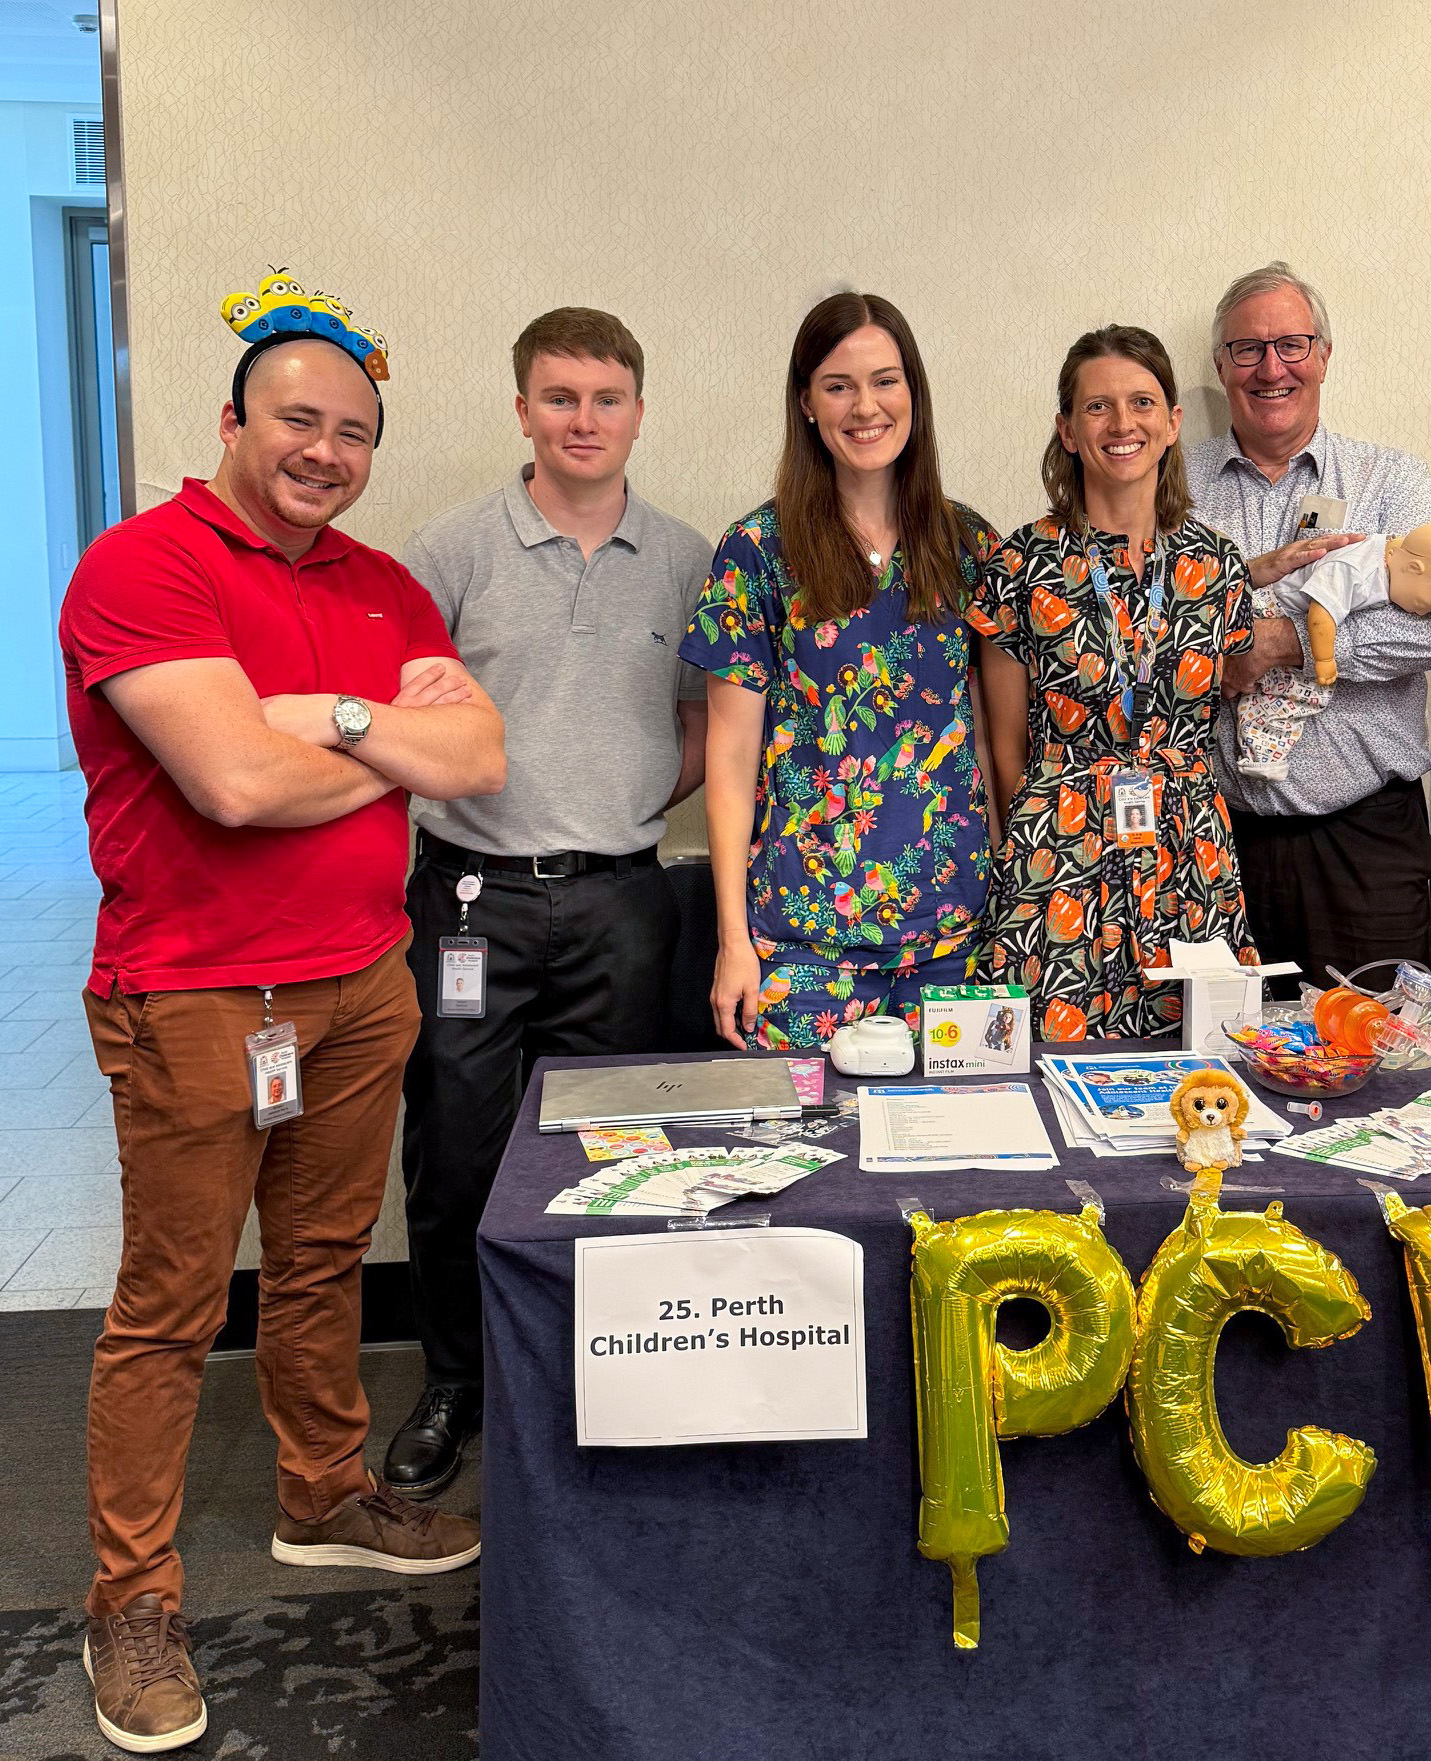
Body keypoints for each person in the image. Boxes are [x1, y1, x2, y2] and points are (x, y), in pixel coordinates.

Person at [61, 283, 506, 1754]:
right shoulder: (144, 569)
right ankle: (130, 1596)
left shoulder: (385, 589)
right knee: (174, 1308)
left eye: (354, 433)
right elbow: (231, 788)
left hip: (362, 983)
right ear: (234, 424)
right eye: (299, 421)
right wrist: (383, 738)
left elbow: (478, 754)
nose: (325, 451)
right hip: (194, 995)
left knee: (321, 1263)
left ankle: (323, 1492)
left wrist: (324, 717)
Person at [385, 308, 709, 1497]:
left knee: (613, 1148)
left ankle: (589, 1364)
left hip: (622, 899)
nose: (584, 420)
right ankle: (459, 1381)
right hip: (471, 900)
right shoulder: (451, 549)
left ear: (638, 410)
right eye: (560, 398)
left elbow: (702, 727)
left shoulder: (686, 558)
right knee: (459, 1152)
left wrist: (619, 799)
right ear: (522, 408)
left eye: (607, 398)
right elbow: (407, 724)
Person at [683, 291, 995, 1050]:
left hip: (955, 937)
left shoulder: (968, 545)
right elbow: (727, 763)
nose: (866, 407)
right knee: (809, 1165)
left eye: (886, 381)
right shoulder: (757, 552)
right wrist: (733, 943)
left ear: (913, 394)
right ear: (806, 404)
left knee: (963, 1164)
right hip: (802, 943)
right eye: (839, 385)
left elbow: (987, 738)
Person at [1185, 262, 1431, 988]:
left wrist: (1279, 644)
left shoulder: (1388, 480)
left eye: (1291, 344)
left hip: (1363, 841)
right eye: (1247, 349)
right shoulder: (1170, 485)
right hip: (1211, 839)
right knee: (1212, 1068)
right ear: (1222, 367)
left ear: (1323, 355)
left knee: (1372, 1060)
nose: (1270, 367)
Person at [971, 324, 1256, 1040]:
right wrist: (1034, 856)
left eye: (1142, 403)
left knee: (1198, 1064)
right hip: (1058, 845)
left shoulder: (1218, 565)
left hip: (1188, 848)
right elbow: (1004, 747)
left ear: (1173, 423)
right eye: (1097, 407)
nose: (1122, 423)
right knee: (1045, 1060)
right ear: (1067, 430)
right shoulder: (1021, 562)